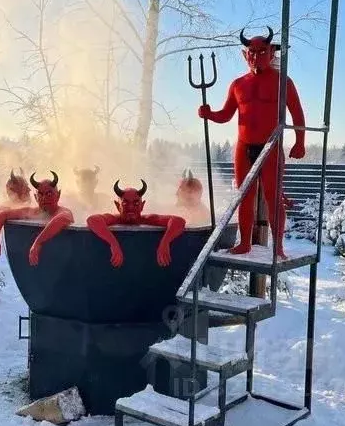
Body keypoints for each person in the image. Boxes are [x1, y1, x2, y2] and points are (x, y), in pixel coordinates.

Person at [198, 26, 306, 258]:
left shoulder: (283, 82)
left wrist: (300, 141)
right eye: (252, 52)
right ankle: (244, 242)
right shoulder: (237, 84)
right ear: (246, 55)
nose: (256, 56)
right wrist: (209, 114)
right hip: (244, 147)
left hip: (271, 147)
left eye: (262, 51)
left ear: (271, 53)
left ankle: (278, 247)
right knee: (243, 196)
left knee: (273, 197)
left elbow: (297, 113)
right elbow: (226, 115)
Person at [86, 179, 186, 268]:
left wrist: (165, 242)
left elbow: (178, 221)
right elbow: (93, 220)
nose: (131, 207)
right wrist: (113, 243)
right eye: (125, 203)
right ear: (117, 206)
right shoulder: (114, 219)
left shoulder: (148, 219)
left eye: (136, 203)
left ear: (142, 206)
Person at [0, 171, 74, 266]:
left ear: (58, 195)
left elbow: (61, 220)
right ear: (36, 197)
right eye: (41, 194)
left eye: (49, 194)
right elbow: (1, 214)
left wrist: (38, 243)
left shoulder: (63, 212)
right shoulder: (32, 211)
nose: (44, 198)